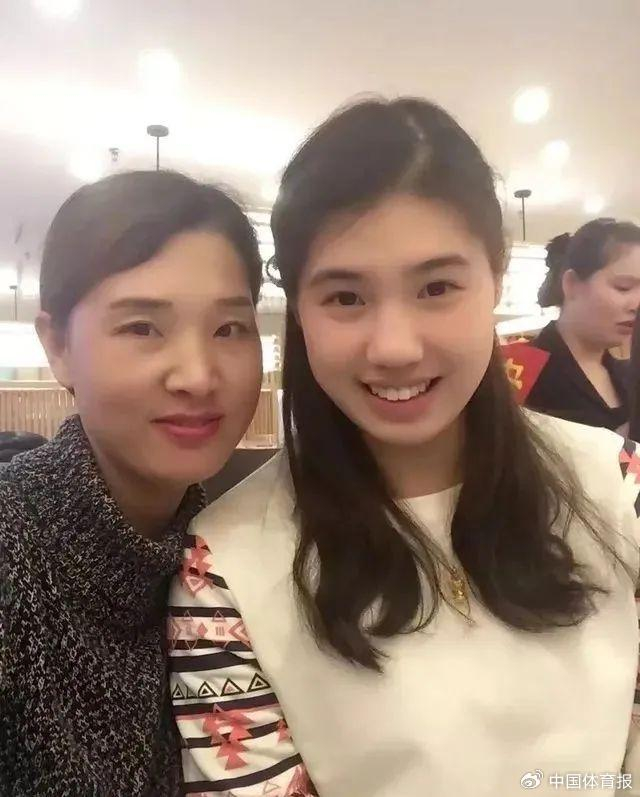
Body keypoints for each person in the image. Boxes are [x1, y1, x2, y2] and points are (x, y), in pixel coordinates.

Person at [169, 98, 640, 797]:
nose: (394, 347)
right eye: (345, 298)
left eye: (436, 287)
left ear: (496, 277)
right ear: (298, 307)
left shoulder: (618, 483)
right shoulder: (221, 570)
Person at [0, 170, 264, 796]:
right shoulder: (14, 554)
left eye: (229, 328)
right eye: (142, 327)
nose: (197, 376)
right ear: (58, 346)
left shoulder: (231, 552)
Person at [524, 220, 640, 430]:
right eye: (623, 287)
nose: (636, 305)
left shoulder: (627, 376)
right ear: (572, 284)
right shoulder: (520, 373)